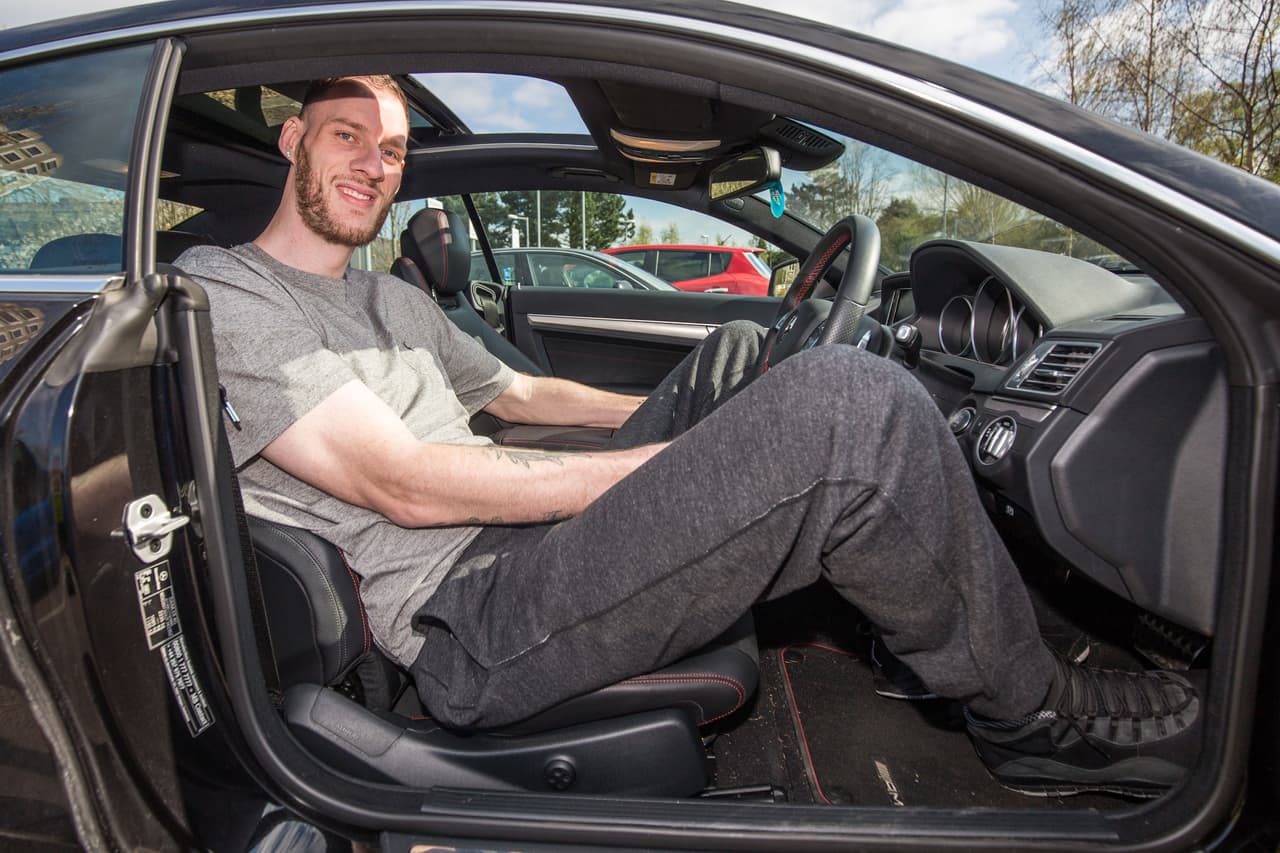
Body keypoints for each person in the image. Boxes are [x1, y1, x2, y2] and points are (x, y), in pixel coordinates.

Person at [178, 75, 1201, 799]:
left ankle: (913, 601)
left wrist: (698, 428)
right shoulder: (227, 294)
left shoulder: (389, 304)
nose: (372, 163)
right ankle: (1035, 722)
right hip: (463, 618)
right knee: (850, 407)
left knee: (736, 350)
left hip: (512, 550)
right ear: (292, 141)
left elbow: (525, 393)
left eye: (391, 148)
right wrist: (683, 467)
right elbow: (400, 484)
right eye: (346, 135)